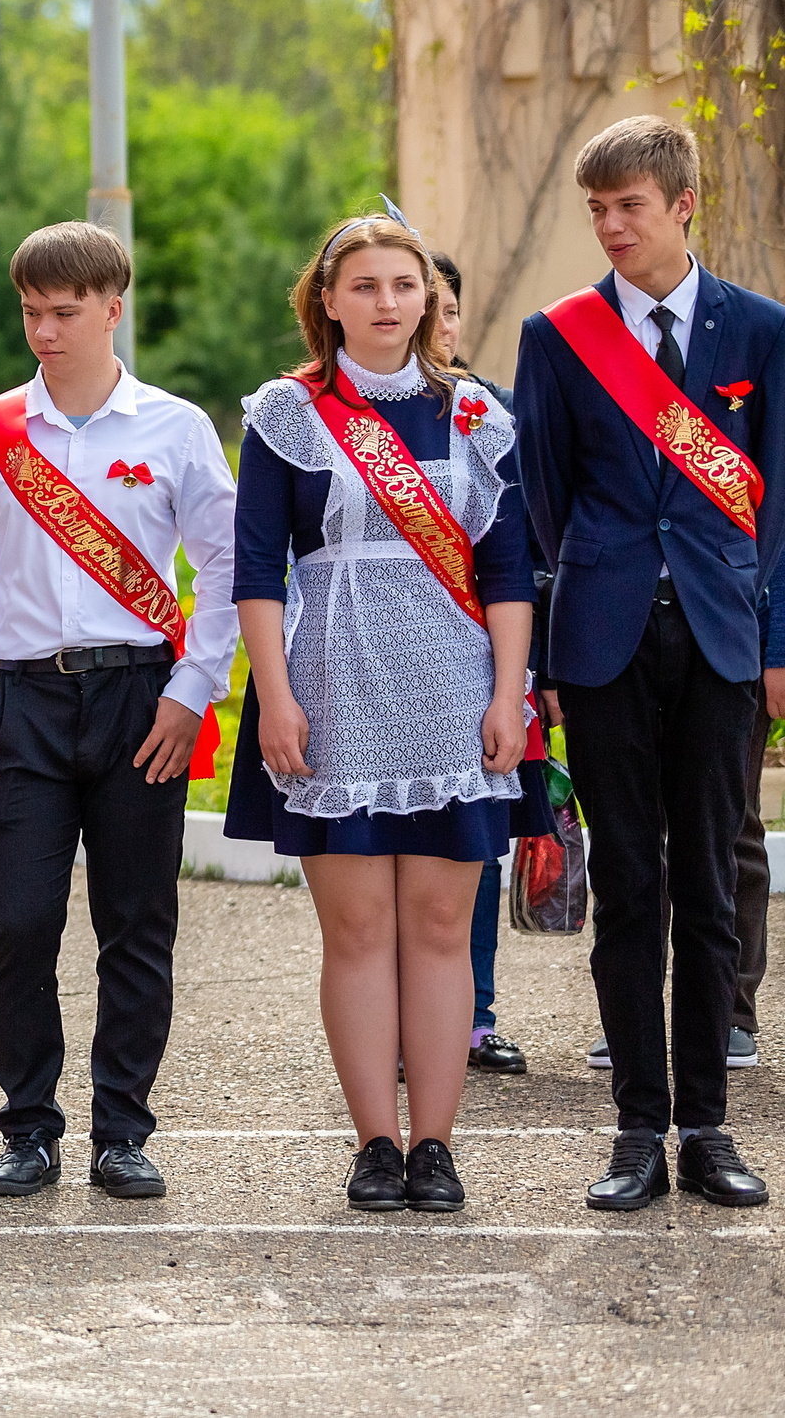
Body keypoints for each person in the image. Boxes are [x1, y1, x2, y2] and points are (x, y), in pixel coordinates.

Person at [0, 222, 237, 1204]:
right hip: (21, 699)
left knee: (136, 921)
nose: (44, 332)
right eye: (30, 313)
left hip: (142, 695)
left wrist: (194, 690)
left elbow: (225, 564)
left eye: (64, 313)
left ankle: (121, 1130)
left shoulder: (175, 429)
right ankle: (28, 1127)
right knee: (16, 923)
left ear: (113, 307)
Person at [227, 215, 537, 1214]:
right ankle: (372, 1142)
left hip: (454, 691)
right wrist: (274, 696)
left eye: (403, 284)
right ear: (326, 299)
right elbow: (256, 566)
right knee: (357, 933)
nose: (386, 303)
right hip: (331, 690)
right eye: (362, 286)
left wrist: (508, 696)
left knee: (442, 927)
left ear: (430, 297)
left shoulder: (476, 415)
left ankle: (436, 1144)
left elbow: (505, 571)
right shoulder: (288, 411)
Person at [515, 116, 785, 1210]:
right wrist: (538, 654)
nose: (609, 225)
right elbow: (539, 503)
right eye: (596, 209)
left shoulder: (759, 331)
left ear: (682, 206)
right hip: (602, 639)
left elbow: (781, 506)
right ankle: (635, 1127)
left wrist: (776, 648)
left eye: (628, 205)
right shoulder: (558, 336)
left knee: (712, 888)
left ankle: (707, 1130)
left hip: (723, 638)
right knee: (627, 884)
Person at [431, 254, 528, 1078]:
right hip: (373, 668)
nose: (440, 322)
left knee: (476, 846)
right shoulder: (328, 412)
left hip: (476, 663)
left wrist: (525, 678)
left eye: (449, 307)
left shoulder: (489, 410)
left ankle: (476, 1014)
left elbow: (521, 557)